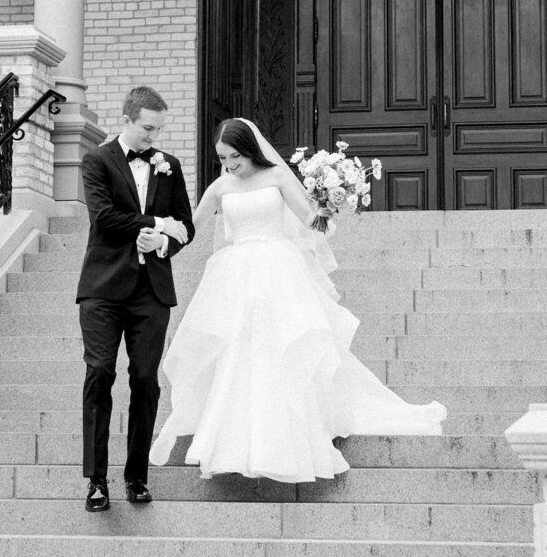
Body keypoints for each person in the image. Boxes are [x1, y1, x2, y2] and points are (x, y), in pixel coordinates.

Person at [150, 116, 445, 484]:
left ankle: (286, 435)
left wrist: (331, 201)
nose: (228, 165)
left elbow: (310, 222)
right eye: (222, 158)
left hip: (279, 273)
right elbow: (189, 229)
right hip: (234, 277)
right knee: (237, 352)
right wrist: (162, 236)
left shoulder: (275, 177)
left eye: (234, 157)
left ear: (250, 150)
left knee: (281, 348)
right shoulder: (219, 187)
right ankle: (232, 441)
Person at [76, 84, 194, 512]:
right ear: (126, 120)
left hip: (151, 292)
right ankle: (96, 480)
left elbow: (186, 226)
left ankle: (137, 477)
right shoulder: (96, 160)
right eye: (147, 128)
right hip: (104, 289)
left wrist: (161, 242)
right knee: (100, 374)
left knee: (145, 382)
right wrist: (152, 223)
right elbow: (103, 217)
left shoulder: (170, 166)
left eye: (158, 130)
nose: (152, 138)